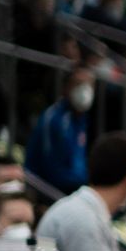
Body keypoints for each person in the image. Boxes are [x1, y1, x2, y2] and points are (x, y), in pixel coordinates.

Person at [24, 66, 97, 195]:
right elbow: (51, 171)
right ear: (66, 87)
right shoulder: (54, 119)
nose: (85, 89)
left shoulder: (82, 119)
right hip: (47, 193)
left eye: (90, 84)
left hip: (73, 190)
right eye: (79, 83)